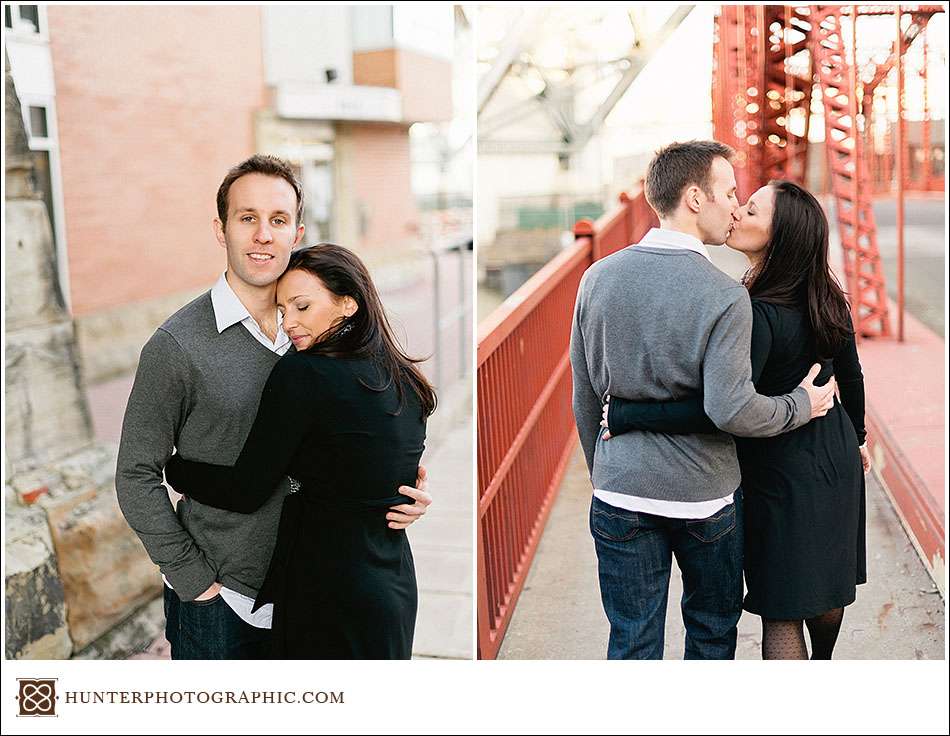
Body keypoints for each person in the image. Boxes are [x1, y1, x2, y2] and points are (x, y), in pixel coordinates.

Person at [116, 155, 431, 660]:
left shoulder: (321, 337)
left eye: (278, 220)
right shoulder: (176, 345)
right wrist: (192, 580)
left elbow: (353, 438)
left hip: (317, 597)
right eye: (248, 218)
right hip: (225, 599)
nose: (264, 234)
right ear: (221, 230)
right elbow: (134, 474)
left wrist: (399, 487)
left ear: (297, 231)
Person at [569, 140, 837, 660]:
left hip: (621, 492)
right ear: (695, 198)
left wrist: (603, 470)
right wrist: (801, 405)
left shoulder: (596, 278)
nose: (736, 207)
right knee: (711, 634)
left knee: (631, 639)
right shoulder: (723, 295)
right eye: (729, 192)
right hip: (705, 499)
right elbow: (731, 408)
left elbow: (585, 394)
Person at [162, 244, 434, 659]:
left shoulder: (304, 373)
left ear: (348, 304)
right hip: (391, 584)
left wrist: (177, 468)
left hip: (326, 589)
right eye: (283, 309)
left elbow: (246, 490)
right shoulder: (406, 380)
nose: (289, 322)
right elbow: (381, 475)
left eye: (302, 307)